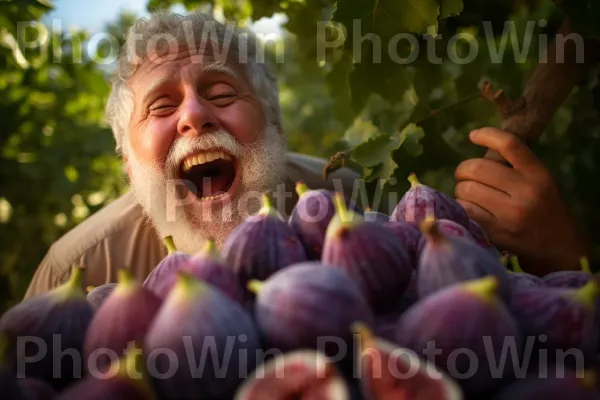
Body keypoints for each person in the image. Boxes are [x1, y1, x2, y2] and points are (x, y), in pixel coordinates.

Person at [23, 11, 588, 299]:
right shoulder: (75, 272)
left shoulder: (357, 206)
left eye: (222, 93)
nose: (195, 115)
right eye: (161, 106)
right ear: (128, 161)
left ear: (275, 125)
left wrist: (560, 258)